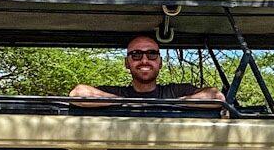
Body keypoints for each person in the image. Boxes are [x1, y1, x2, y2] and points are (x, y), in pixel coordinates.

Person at [69, 35, 225, 102]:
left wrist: (175, 103)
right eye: (136, 55)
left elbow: (216, 96)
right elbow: (77, 94)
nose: (144, 60)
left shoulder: (176, 92)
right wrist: (125, 102)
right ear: (126, 63)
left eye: (151, 54)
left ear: (160, 62)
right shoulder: (114, 93)